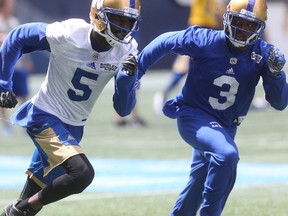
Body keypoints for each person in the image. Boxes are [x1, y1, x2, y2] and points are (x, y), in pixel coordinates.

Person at [137, 0, 288, 215]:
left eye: (250, 25)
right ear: (227, 18)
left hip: (226, 125)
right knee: (227, 155)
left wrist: (276, 74)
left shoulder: (263, 53)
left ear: (260, 27)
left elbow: (280, 103)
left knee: (197, 185)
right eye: (238, 22)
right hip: (194, 115)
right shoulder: (205, 40)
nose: (242, 30)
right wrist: (138, 67)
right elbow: (165, 41)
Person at [0, 0, 141, 215]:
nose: (123, 27)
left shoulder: (126, 50)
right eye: (118, 18)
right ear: (99, 16)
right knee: (82, 174)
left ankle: (20, 209)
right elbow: (18, 36)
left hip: (74, 126)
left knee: (31, 197)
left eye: (128, 21)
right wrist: (3, 84)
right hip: (45, 116)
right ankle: (20, 208)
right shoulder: (71, 33)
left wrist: (126, 80)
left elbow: (123, 109)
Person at [153, 0, 227, 115]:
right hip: (198, 28)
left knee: (210, 66)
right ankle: (164, 93)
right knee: (184, 65)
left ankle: (201, 100)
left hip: (210, 30)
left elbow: (220, 12)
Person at [0, 0, 33, 135]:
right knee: (3, 96)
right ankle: (6, 125)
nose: (12, 7)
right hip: (2, 65)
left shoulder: (14, 22)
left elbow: (22, 43)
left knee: (23, 94)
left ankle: (25, 122)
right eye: (10, 4)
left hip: (17, 65)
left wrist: (27, 60)